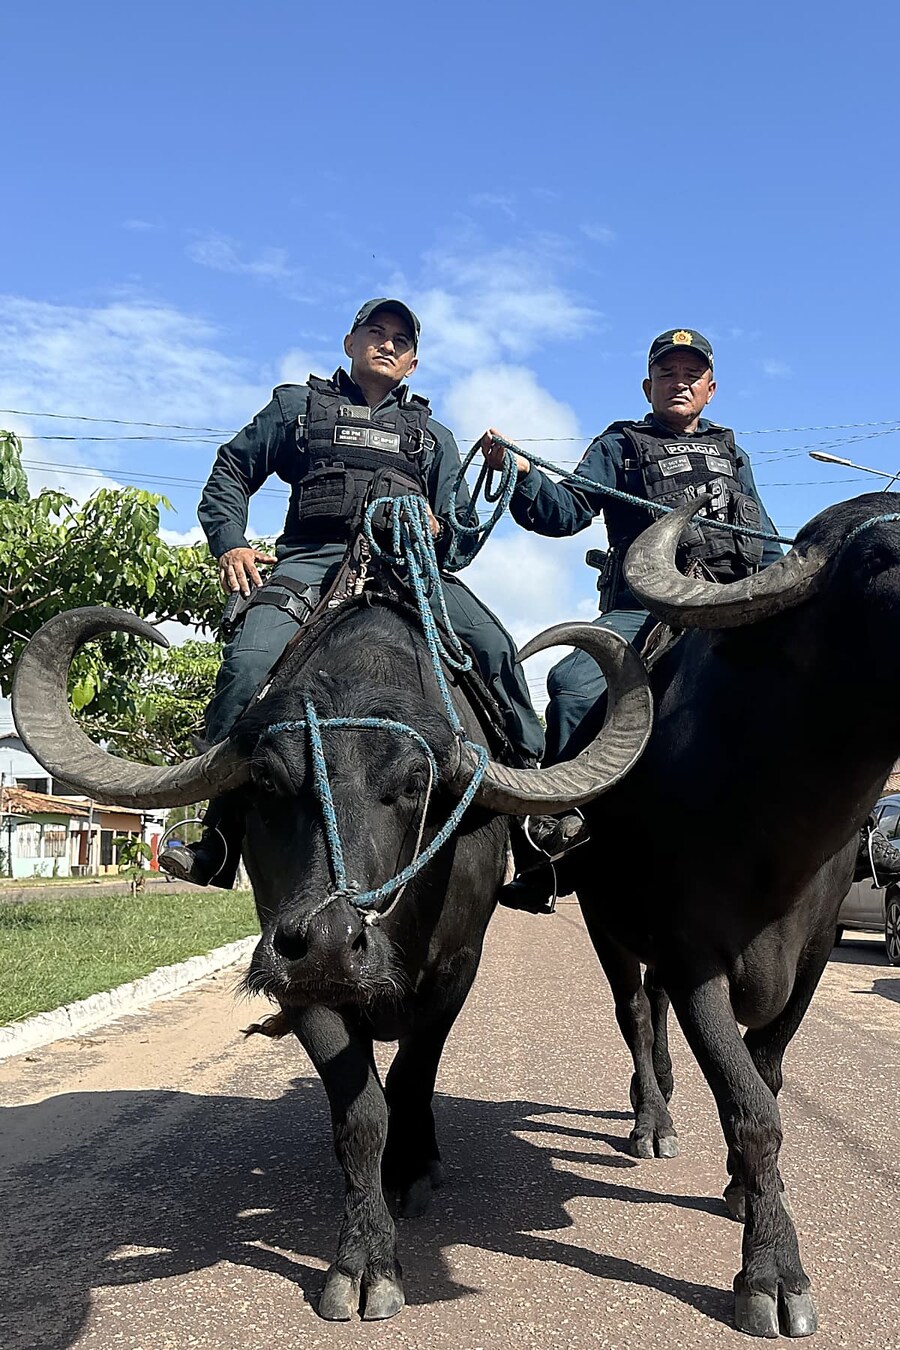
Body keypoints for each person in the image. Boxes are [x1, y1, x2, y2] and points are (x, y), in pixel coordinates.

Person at [160, 298, 544, 887]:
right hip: (312, 562)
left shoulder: (433, 437)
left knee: (494, 647)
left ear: (412, 363)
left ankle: (532, 818)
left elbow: (461, 537)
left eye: (400, 340)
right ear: (350, 342)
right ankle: (218, 831)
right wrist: (230, 544)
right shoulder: (297, 408)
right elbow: (231, 472)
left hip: (410, 569)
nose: (387, 344)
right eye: (376, 332)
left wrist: (438, 531)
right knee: (249, 662)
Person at [481, 327, 782, 910]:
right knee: (573, 685)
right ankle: (557, 839)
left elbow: (765, 542)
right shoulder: (620, 445)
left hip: (728, 602)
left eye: (692, 374)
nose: (680, 382)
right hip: (643, 610)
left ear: (711, 389)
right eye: (668, 373)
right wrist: (520, 473)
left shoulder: (732, 453)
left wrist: (791, 587)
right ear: (649, 387)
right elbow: (565, 512)